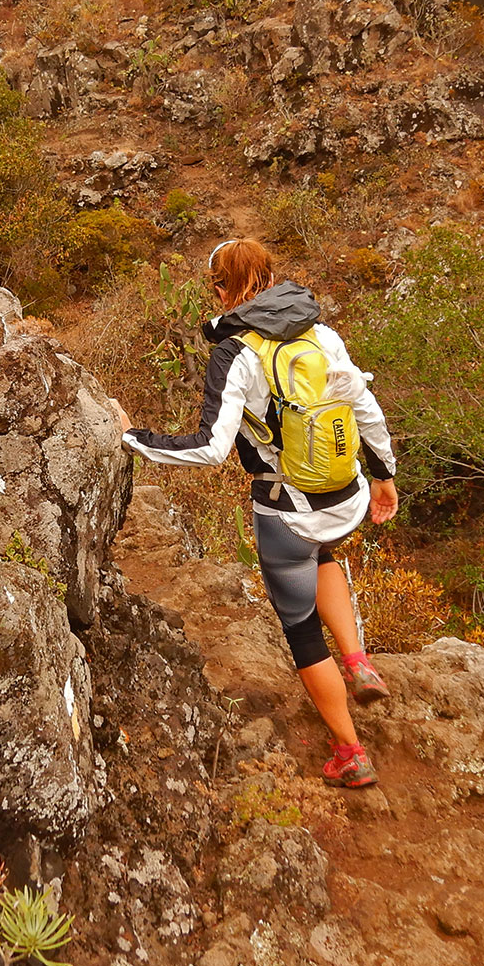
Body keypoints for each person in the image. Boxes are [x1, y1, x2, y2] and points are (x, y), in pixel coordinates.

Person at [109, 238, 399, 788]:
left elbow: (210, 448)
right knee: (327, 553)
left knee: (301, 627)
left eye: (214, 285)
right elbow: (366, 406)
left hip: (287, 511)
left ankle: (350, 752)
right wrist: (383, 477)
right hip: (348, 495)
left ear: (222, 287)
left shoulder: (236, 351)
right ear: (270, 275)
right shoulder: (320, 331)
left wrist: (131, 437)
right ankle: (359, 662)